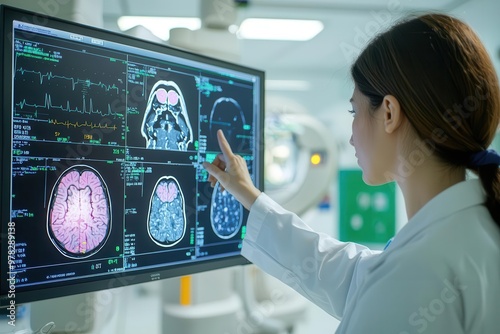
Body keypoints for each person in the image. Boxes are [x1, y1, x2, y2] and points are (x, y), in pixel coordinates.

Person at [203, 13, 500, 333]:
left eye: (354, 111)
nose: (350, 136)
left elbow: (385, 287)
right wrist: (251, 197)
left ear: (388, 113)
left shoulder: (418, 271)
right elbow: (358, 278)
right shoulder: (474, 226)